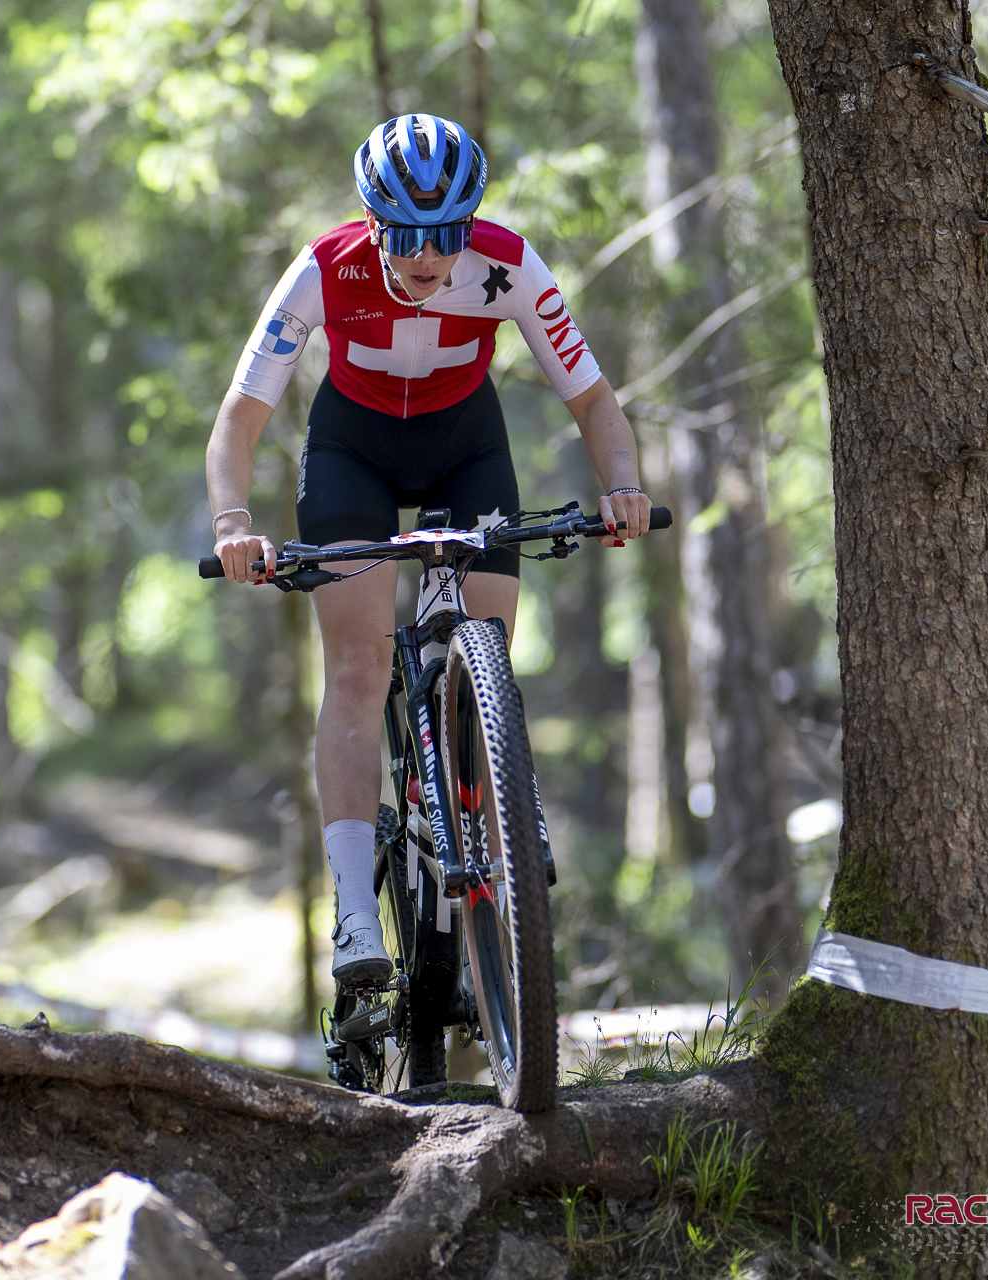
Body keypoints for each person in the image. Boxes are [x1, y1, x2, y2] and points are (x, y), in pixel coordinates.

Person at [205, 113, 653, 989]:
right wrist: (231, 525)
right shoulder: (323, 270)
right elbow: (241, 417)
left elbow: (594, 401)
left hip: (464, 447)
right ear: (372, 223)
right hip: (354, 452)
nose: (427, 255)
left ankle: (501, 833)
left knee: (492, 652)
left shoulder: (507, 264)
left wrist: (624, 486)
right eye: (407, 235)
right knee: (358, 667)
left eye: (447, 234)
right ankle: (353, 911)